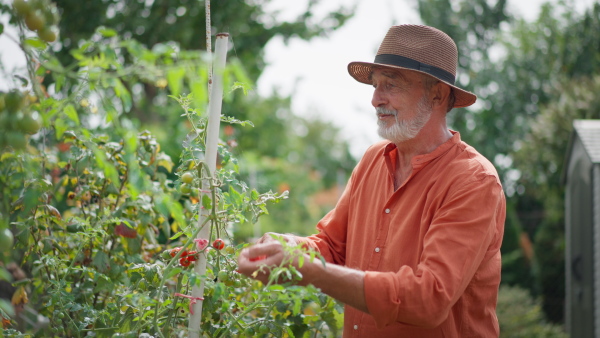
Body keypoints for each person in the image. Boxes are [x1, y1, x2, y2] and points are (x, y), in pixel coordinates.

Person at [237, 24, 506, 337]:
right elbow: (332, 247)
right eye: (375, 86)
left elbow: (429, 299)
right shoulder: (372, 161)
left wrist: (310, 270)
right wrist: (290, 248)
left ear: (437, 93)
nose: (376, 99)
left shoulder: (474, 181)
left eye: (390, 85)